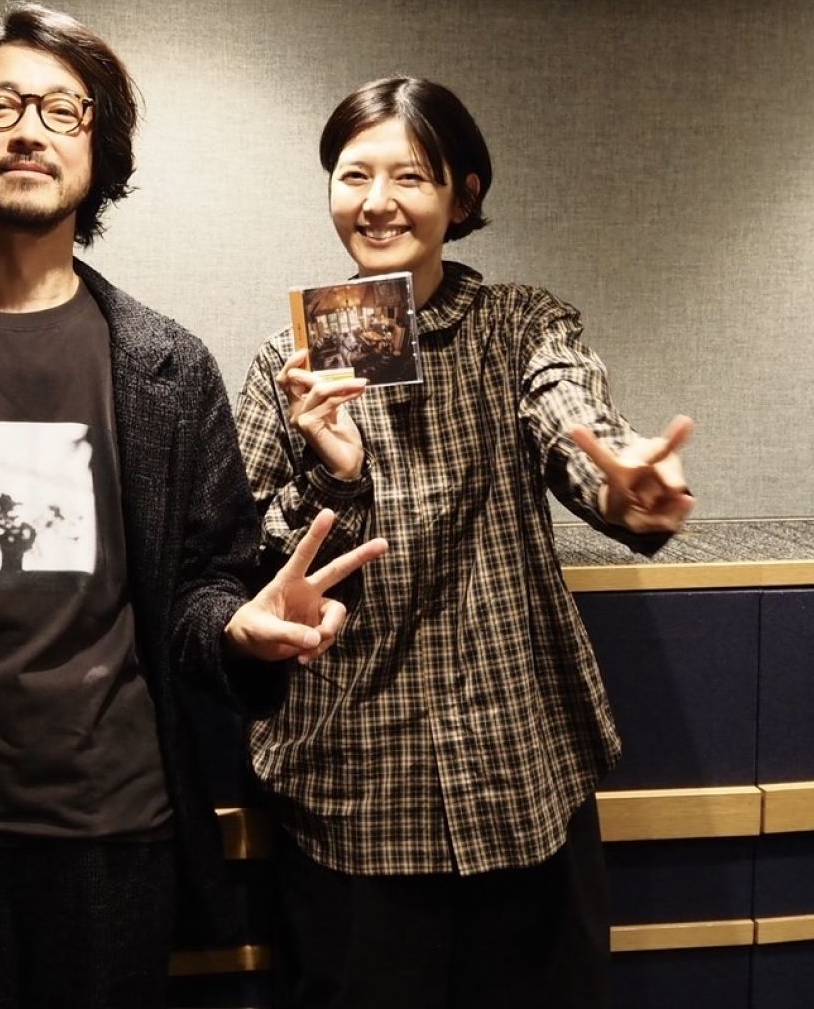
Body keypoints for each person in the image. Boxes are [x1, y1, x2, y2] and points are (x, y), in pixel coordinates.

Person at [0, 3, 384, 1009]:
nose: (28, 130)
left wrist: (239, 631)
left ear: (100, 146)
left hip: (109, 829)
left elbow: (201, 588)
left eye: (61, 109)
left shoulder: (167, 366)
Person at [235, 75, 694, 1009]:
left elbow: (569, 412)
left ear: (463, 194)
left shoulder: (520, 326)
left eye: (410, 176)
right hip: (355, 790)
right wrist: (334, 473)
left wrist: (621, 486)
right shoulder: (285, 365)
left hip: (523, 775)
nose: (377, 202)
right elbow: (242, 569)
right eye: (354, 175)